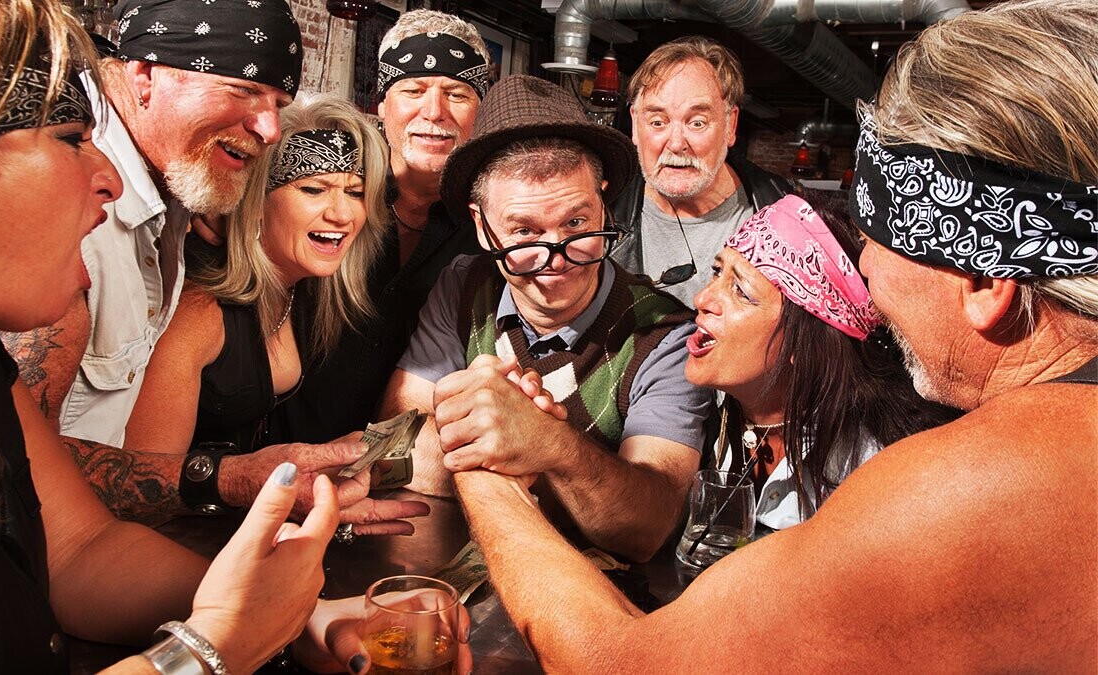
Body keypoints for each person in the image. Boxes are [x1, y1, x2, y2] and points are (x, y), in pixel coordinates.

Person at [451, 0, 1097, 669]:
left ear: (986, 283)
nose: (866, 278)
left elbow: (623, 664)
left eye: (879, 246)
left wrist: (487, 474)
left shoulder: (967, 488)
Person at [0, 2, 337, 671]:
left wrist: (294, 611)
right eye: (71, 137)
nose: (107, 177)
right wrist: (210, 649)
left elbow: (81, 551)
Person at [0, 0, 403, 526]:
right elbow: (9, 463)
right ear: (143, 76)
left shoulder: (175, 208)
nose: (270, 128)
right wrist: (235, 480)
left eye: (279, 102)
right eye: (243, 89)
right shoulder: (73, 218)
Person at [382, 75, 711, 562]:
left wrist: (547, 441)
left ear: (604, 203)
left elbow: (645, 528)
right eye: (524, 232)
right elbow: (394, 442)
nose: (556, 258)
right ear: (481, 224)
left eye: (576, 223)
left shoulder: (666, 334)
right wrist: (525, 453)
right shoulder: (462, 285)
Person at [121, 95, 428, 532]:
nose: (342, 213)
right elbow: (141, 491)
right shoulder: (198, 309)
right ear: (256, 199)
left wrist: (316, 478)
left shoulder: (303, 290)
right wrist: (254, 488)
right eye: (313, 189)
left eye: (356, 193)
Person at [268, 9, 489, 445]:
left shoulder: (489, 224)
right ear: (383, 104)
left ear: (479, 110)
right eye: (413, 90)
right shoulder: (324, 191)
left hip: (403, 466)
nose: (434, 111)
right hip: (274, 455)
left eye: (457, 94)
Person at [686, 192, 957, 529]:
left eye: (741, 292)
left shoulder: (877, 474)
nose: (702, 298)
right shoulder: (694, 412)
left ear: (803, 343)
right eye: (717, 272)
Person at [609, 36, 792, 304]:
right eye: (658, 122)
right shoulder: (602, 209)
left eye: (697, 123)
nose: (676, 144)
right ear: (636, 125)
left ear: (730, 126)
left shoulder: (784, 214)